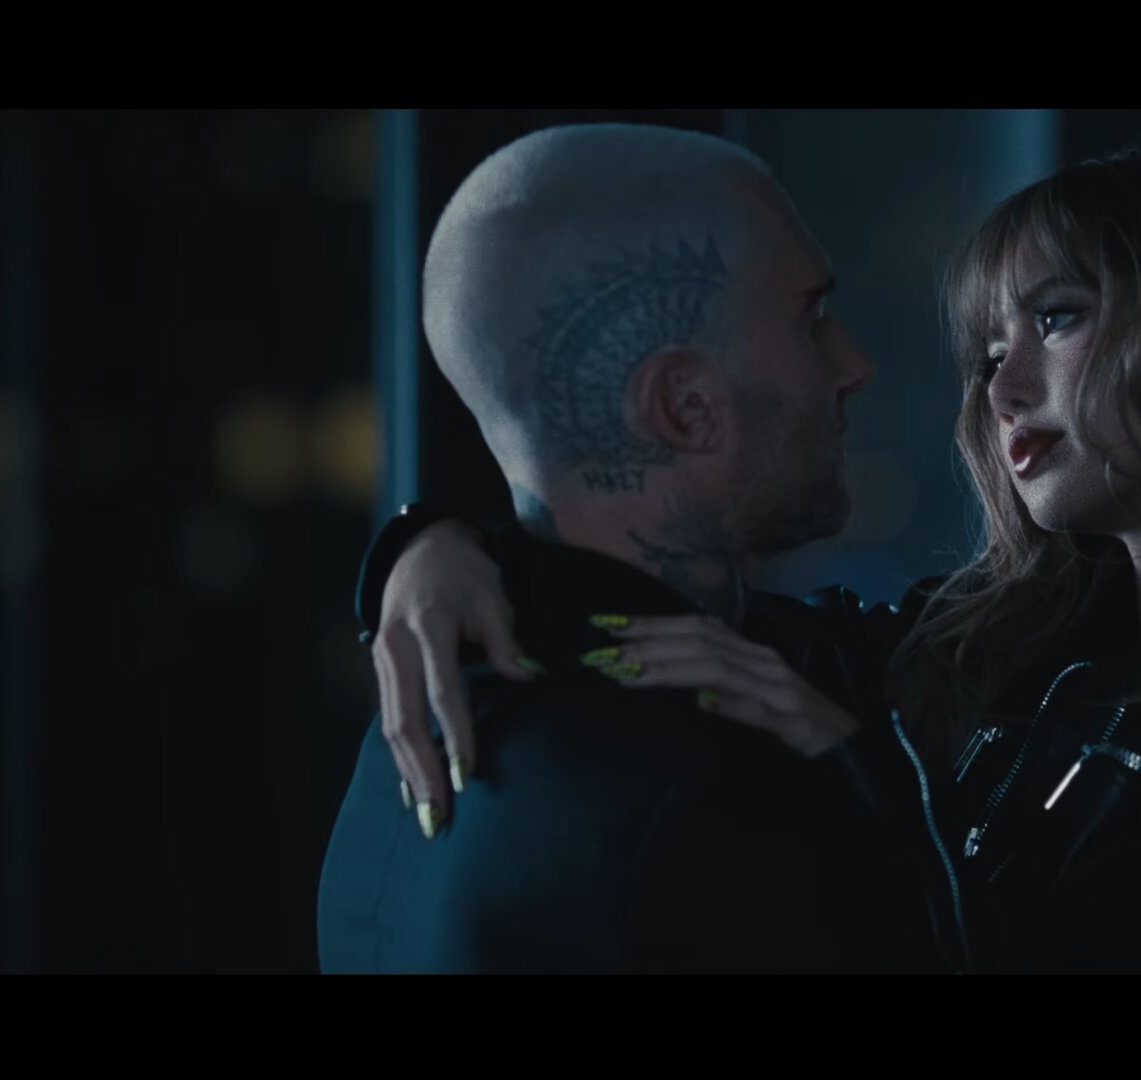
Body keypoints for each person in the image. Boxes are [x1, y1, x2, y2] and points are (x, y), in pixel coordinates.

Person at [360, 130, 1141, 972]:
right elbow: (662, 617)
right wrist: (434, 547)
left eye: (1055, 318)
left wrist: (855, 786)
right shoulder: (995, 648)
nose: (1001, 387)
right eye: (987, 350)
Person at [317, 123, 946, 973]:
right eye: (812, 321)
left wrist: (420, 539)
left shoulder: (415, 734)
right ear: (685, 407)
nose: (854, 363)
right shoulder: (719, 794)